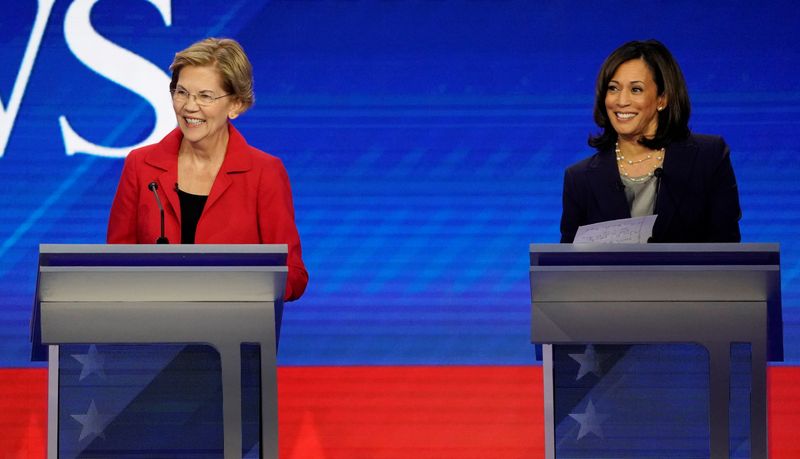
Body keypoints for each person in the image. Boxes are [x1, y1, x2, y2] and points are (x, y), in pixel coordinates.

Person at [108, 37, 308, 301]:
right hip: (152, 332)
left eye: (205, 96)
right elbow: (114, 263)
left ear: (236, 104)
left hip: (234, 332)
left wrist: (240, 288)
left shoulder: (265, 173)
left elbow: (293, 274)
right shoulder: (141, 165)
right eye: (181, 92)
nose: (190, 106)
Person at [560, 39, 741, 243]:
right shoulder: (580, 179)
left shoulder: (708, 158)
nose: (621, 101)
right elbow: (568, 266)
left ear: (662, 99)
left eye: (636, 89)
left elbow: (728, 252)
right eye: (613, 88)